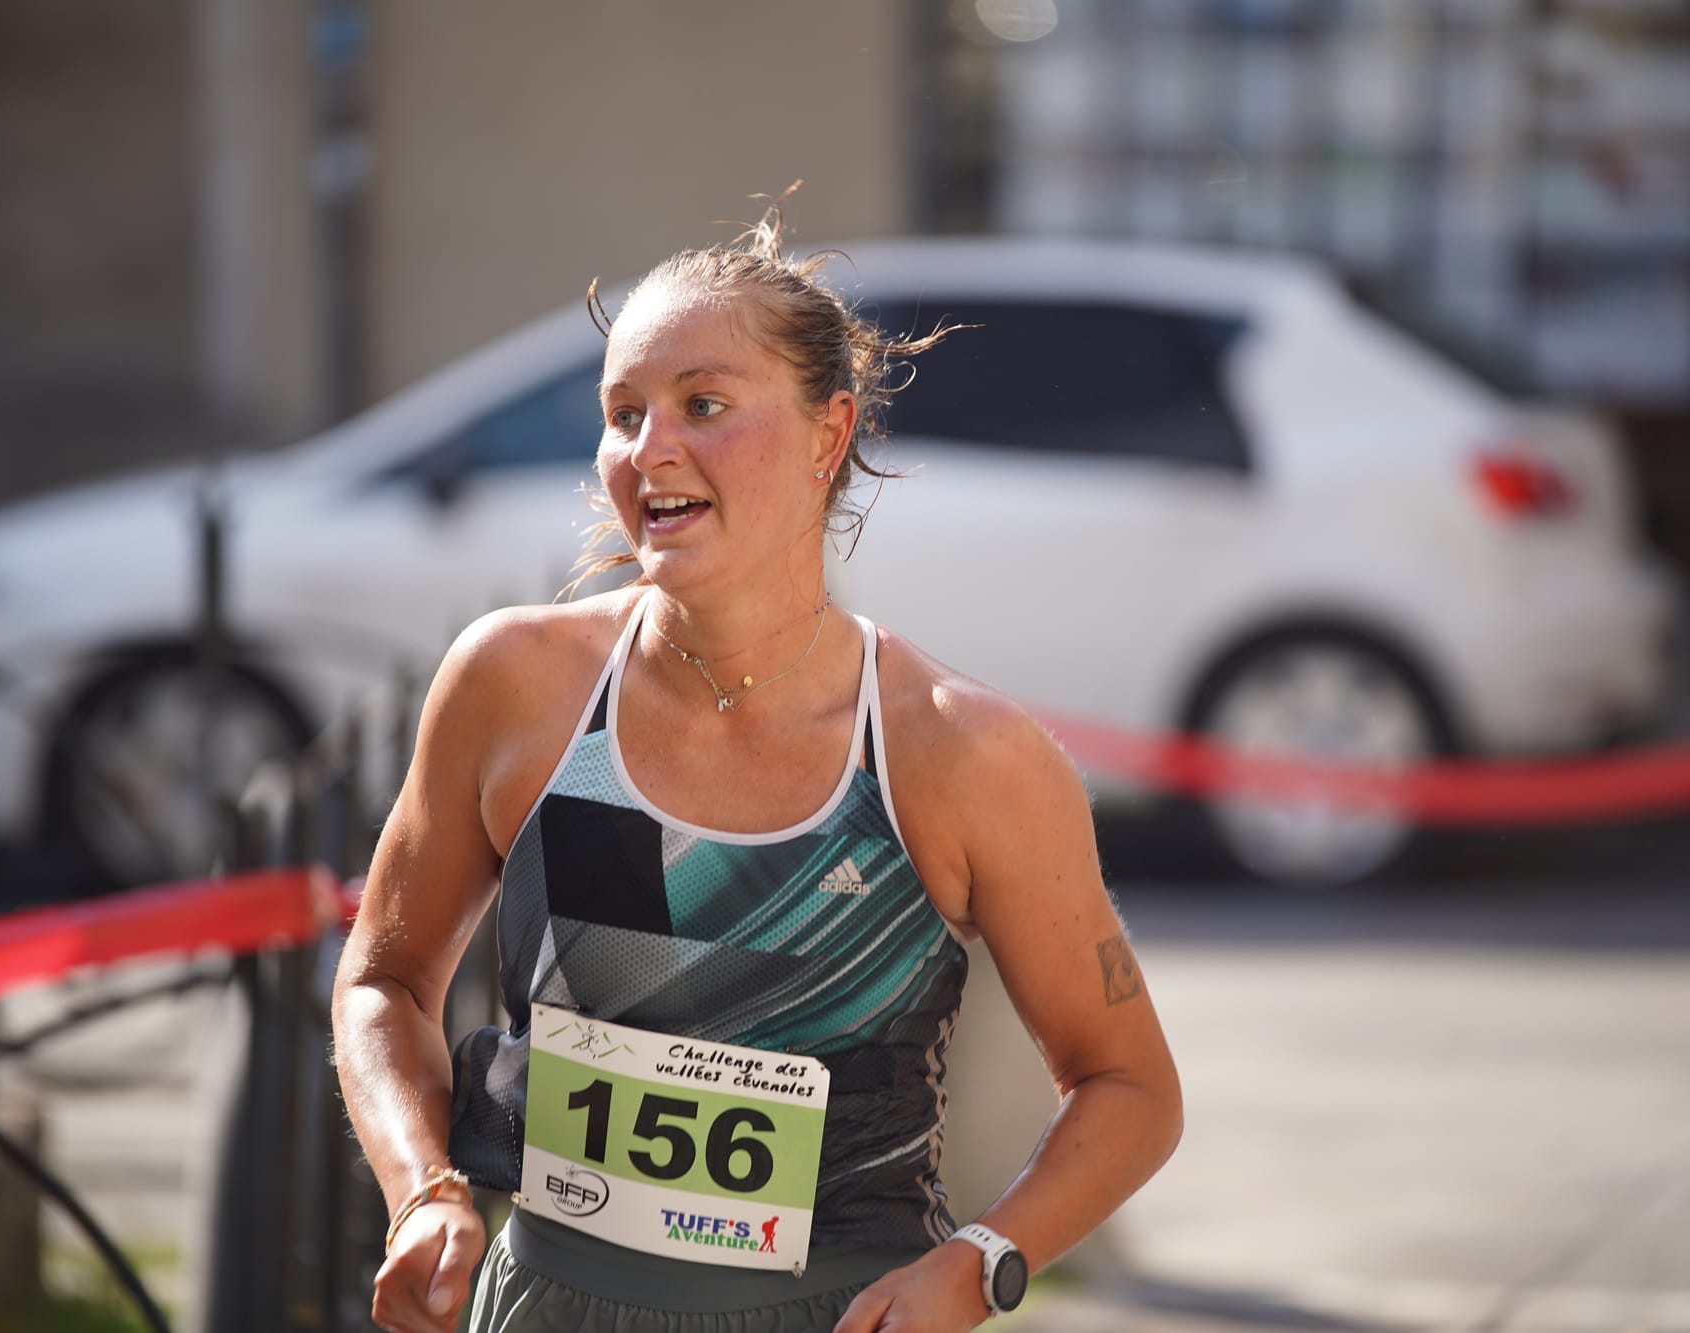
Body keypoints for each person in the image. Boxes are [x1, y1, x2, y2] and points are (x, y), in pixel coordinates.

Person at [332, 196, 1183, 1333]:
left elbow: (1129, 1087)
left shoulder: (958, 750)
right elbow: (382, 981)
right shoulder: (517, 687)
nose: (650, 450)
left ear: (828, 435)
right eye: (622, 413)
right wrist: (422, 1190)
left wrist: (980, 1261)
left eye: (704, 405)